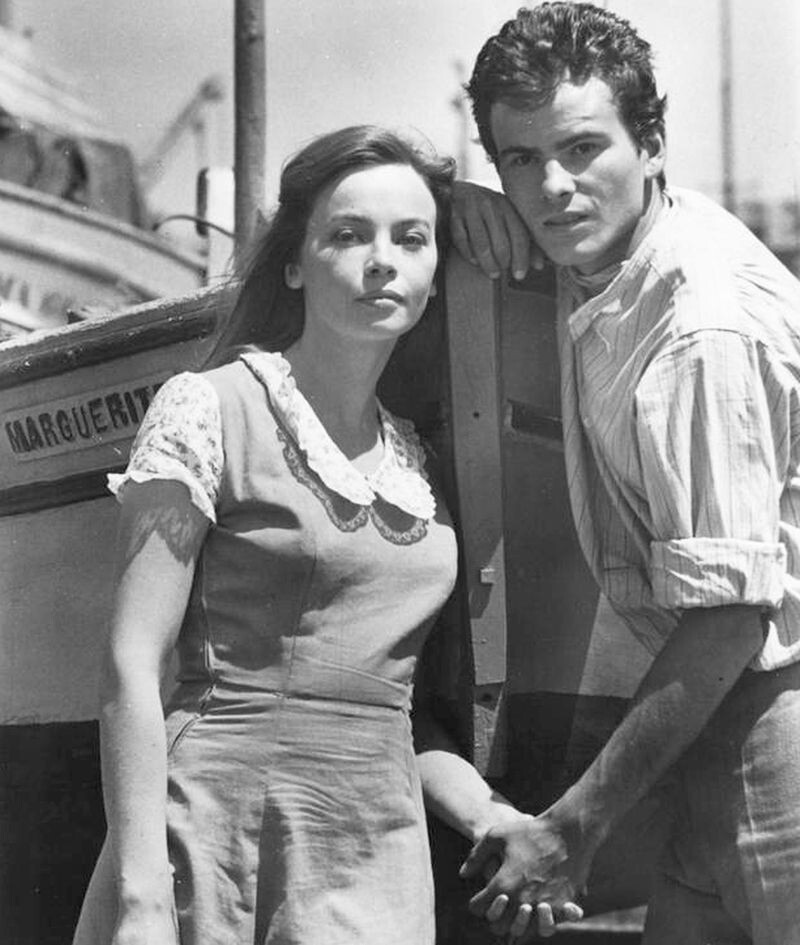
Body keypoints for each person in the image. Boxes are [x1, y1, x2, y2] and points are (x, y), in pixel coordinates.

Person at [70, 124, 574, 945]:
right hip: (217, 838)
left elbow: (391, 715)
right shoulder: (210, 407)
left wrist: (492, 814)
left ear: (434, 272)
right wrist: (141, 895)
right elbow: (130, 661)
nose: (382, 261)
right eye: (347, 234)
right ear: (295, 264)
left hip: (375, 857)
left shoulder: (414, 462)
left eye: (411, 239)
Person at [451, 3, 800, 943]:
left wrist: (573, 826)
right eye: (520, 159)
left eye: (581, 148)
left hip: (777, 719)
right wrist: (447, 195)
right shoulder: (624, 244)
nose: (552, 187)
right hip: (711, 724)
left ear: (651, 143)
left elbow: (729, 614)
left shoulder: (699, 328)